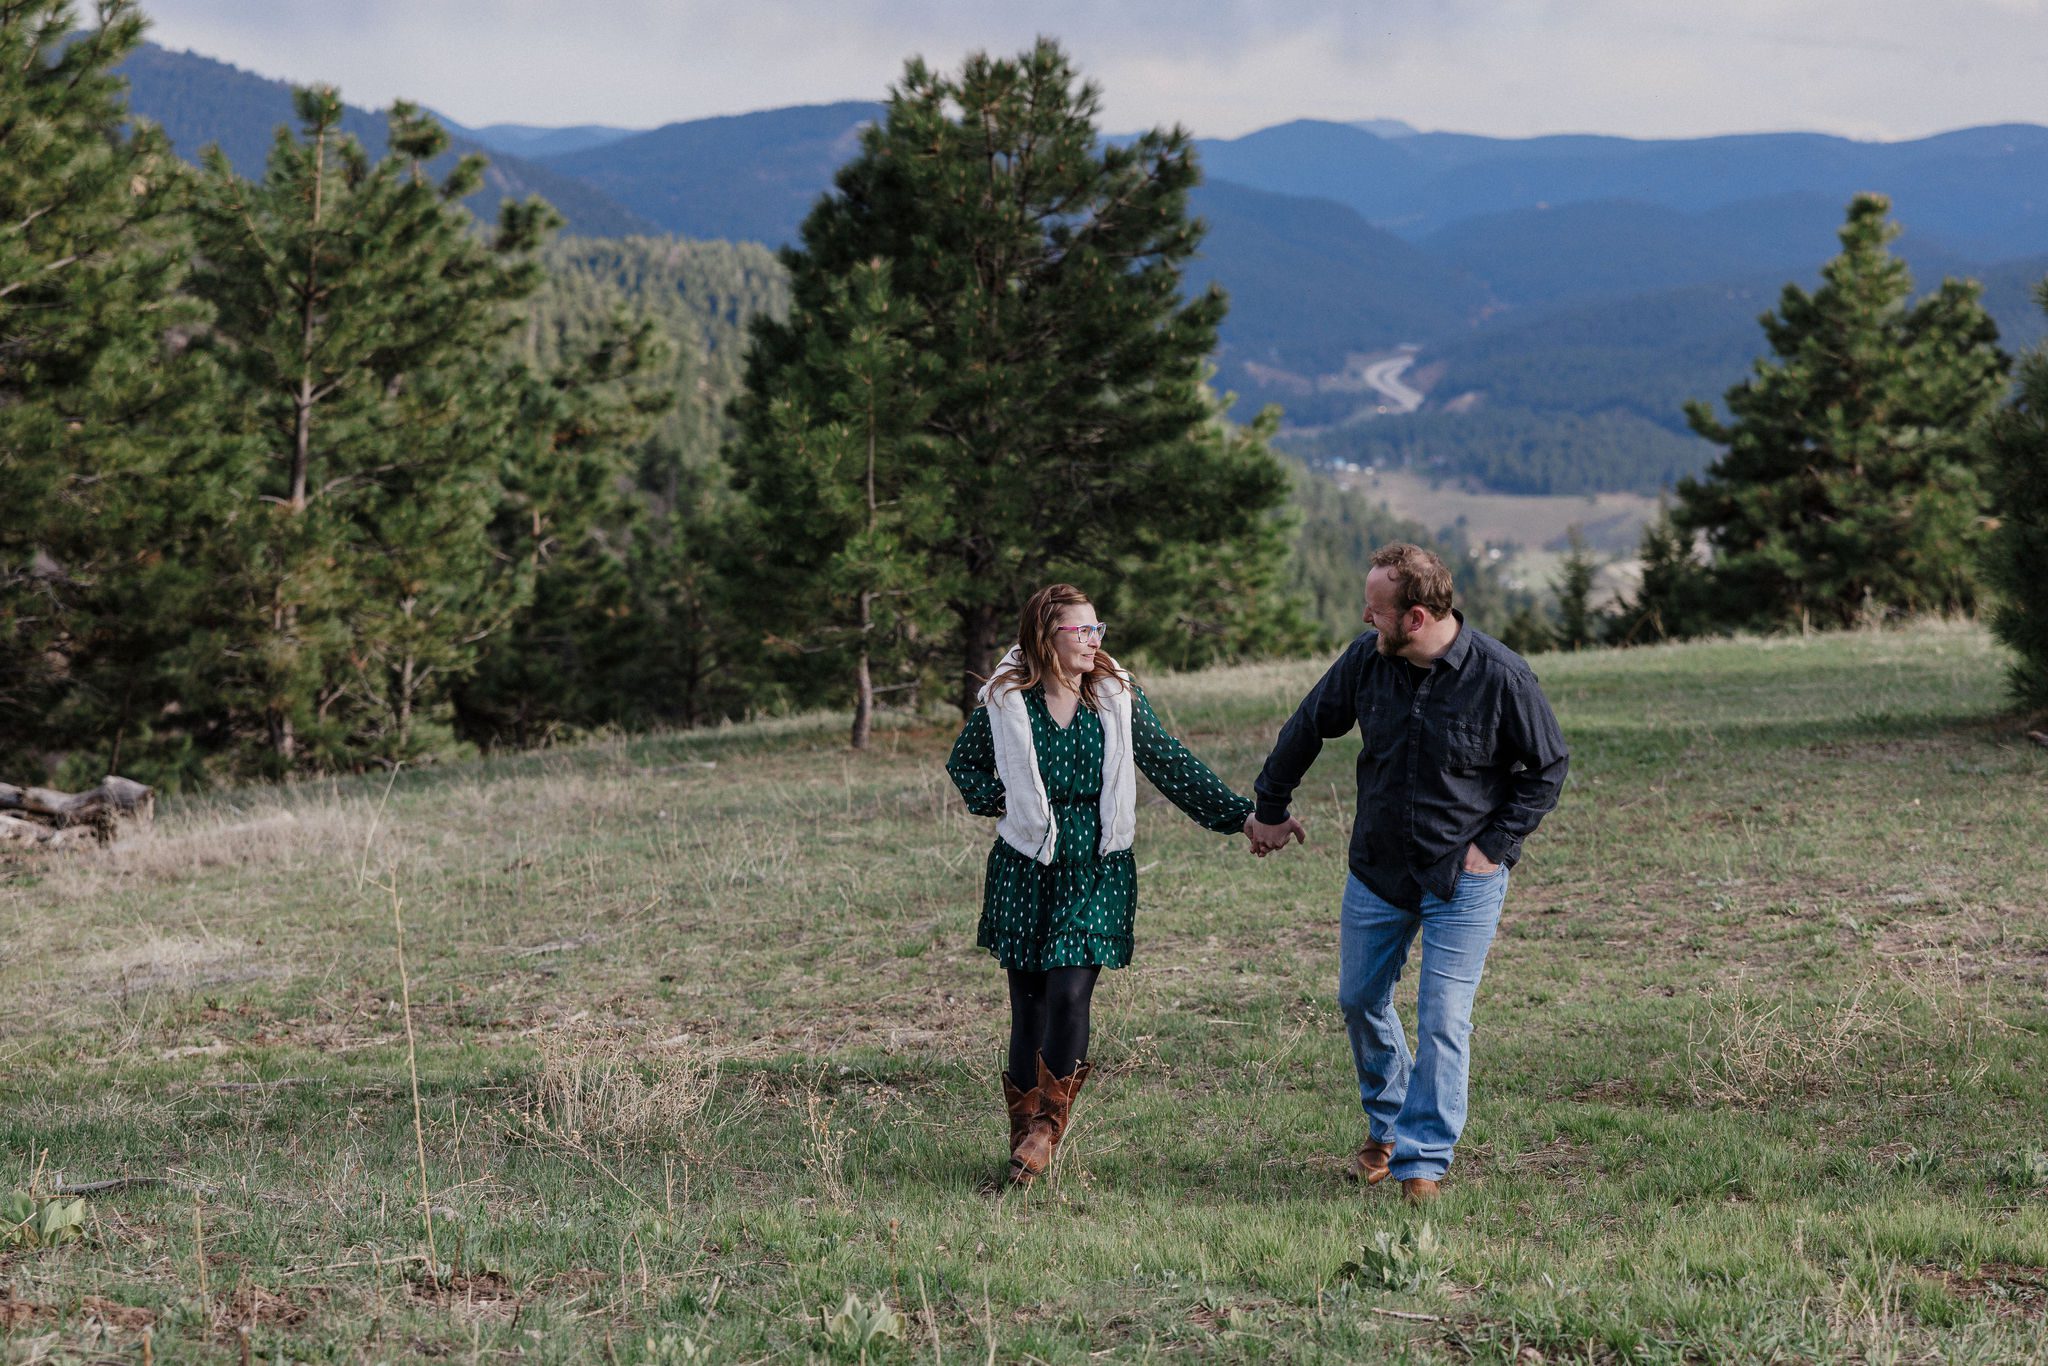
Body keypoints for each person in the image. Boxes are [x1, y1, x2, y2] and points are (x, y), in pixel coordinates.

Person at [1245, 544, 1568, 1203]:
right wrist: (1271, 808)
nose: (1367, 616)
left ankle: (1422, 1161)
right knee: (1359, 999)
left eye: (1377, 609)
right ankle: (1389, 1121)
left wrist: (1497, 846)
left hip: (1464, 874)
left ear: (1414, 617)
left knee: (1444, 1015)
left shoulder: (1502, 676)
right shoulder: (1367, 661)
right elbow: (1310, 725)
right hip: (1379, 868)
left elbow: (1548, 769)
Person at [947, 583, 1259, 1185]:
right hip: (1025, 867)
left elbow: (1168, 759)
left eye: (1098, 630)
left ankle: (1046, 1130)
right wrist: (1004, 805)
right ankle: (1021, 1133)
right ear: (1046, 636)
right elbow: (965, 762)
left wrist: (1240, 816)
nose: (1093, 640)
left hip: (1096, 863)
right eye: (1081, 630)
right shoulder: (1006, 701)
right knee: (1028, 1005)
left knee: (1068, 992)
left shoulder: (1115, 698)